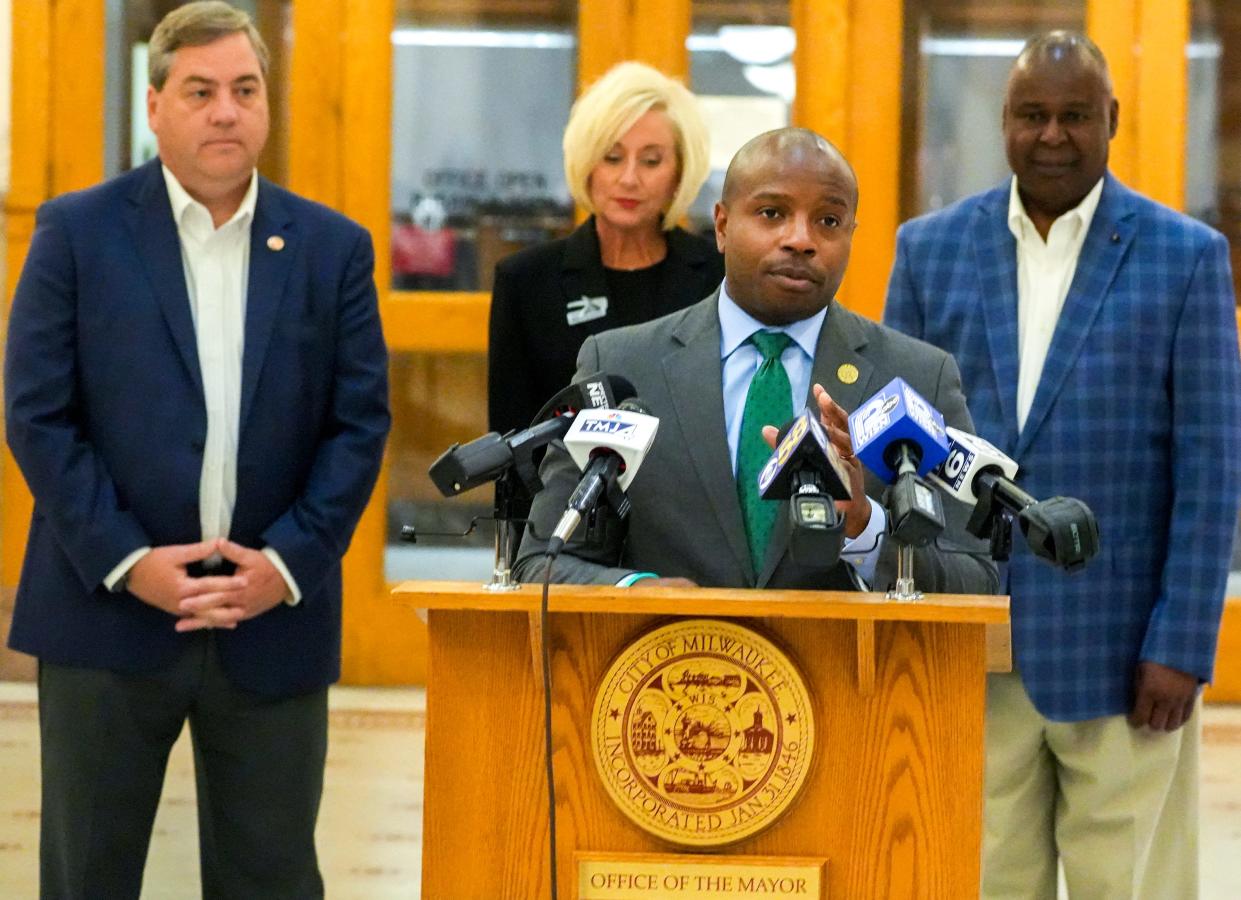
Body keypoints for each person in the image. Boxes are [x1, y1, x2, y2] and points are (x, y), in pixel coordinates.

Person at [3, 3, 390, 897]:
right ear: (155, 105)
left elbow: (358, 422)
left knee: (273, 877)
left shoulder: (331, 249)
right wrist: (128, 560)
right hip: (105, 618)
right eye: (201, 90)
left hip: (272, 620)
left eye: (245, 90)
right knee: (86, 874)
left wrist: (286, 563)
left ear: (267, 104)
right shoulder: (77, 233)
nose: (226, 111)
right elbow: (37, 415)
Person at [883, 31, 1241, 899]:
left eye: (1074, 115)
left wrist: (1183, 642)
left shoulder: (1185, 257)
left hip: (1125, 654)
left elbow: (1212, 464)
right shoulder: (928, 249)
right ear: (1002, 122)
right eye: (1032, 115)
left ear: (1109, 120)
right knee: (980, 878)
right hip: (969, 637)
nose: (1052, 135)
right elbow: (897, 441)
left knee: (1130, 884)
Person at [514, 127, 997, 598]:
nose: (801, 239)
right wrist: (642, 591)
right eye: (772, 213)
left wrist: (864, 528)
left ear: (851, 234)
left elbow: (977, 582)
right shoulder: (625, 365)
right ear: (722, 226)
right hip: (669, 668)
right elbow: (541, 561)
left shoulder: (915, 377)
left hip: (851, 674)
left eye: (828, 221)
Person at [487, 61, 724, 438]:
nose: (629, 178)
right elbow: (512, 442)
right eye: (612, 157)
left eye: (651, 160)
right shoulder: (526, 281)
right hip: (566, 494)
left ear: (679, 173)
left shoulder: (719, 276)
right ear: (587, 165)